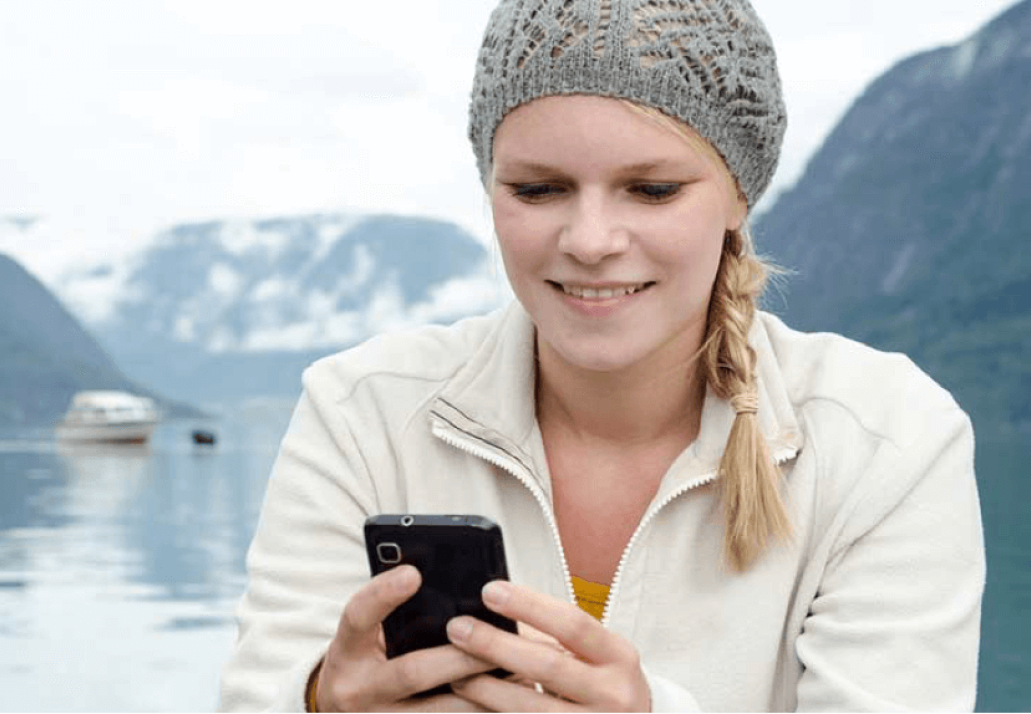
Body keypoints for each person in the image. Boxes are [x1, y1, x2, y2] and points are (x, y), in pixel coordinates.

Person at [220, 0, 986, 710]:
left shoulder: (889, 440)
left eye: (652, 190)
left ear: (738, 196)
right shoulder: (362, 411)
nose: (590, 241)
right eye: (537, 190)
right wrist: (318, 700)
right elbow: (261, 691)